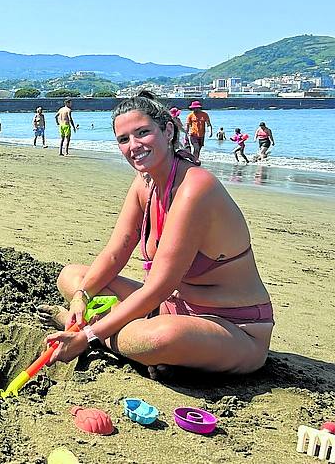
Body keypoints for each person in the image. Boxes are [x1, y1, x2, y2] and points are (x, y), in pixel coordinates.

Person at [37, 90, 273, 376]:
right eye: (124, 139)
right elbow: (115, 252)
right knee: (73, 277)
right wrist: (82, 297)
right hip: (168, 307)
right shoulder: (144, 185)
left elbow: (159, 286)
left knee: (157, 339)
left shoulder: (195, 189)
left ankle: (89, 333)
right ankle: (106, 331)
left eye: (143, 133)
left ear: (168, 130)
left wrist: (86, 337)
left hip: (231, 327)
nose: (134, 145)